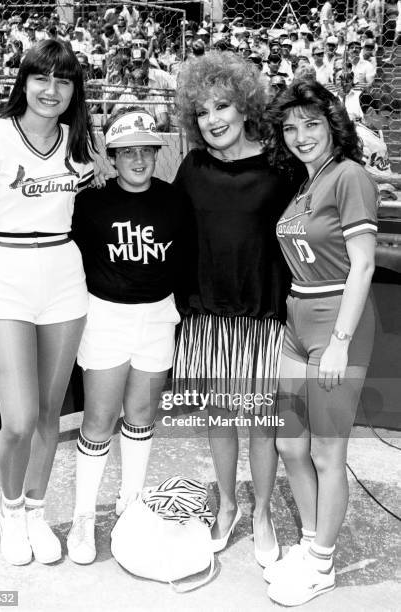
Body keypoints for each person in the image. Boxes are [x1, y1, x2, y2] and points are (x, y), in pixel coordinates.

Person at [0, 39, 96, 566]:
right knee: (16, 418)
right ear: (25, 82)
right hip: (8, 278)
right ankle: (9, 509)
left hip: (65, 277)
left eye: (64, 81)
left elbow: (89, 208)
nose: (51, 90)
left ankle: (36, 510)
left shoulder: (79, 143)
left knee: (48, 414)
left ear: (73, 90)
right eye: (42, 78)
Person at [173, 51, 298, 565]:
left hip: (265, 314)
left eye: (222, 106)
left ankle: (263, 511)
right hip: (205, 314)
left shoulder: (280, 167)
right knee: (220, 416)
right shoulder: (192, 166)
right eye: (202, 112)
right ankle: (227, 506)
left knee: (263, 422)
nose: (213, 120)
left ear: (245, 107)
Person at [263, 80, 378, 605]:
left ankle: (323, 565)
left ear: (334, 124)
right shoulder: (304, 185)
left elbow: (364, 265)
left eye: (312, 124)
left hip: (337, 322)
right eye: (290, 127)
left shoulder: (349, 176)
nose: (300, 136)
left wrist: (339, 342)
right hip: (295, 320)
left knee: (329, 454)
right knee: (289, 442)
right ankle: (311, 541)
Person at [66, 106, 186, 564]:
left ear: (157, 154)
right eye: (126, 152)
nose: (138, 160)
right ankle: (82, 517)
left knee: (141, 415)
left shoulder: (174, 200)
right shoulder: (91, 203)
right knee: (98, 420)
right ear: (112, 158)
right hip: (105, 317)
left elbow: (186, 259)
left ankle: (131, 502)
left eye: (146, 151)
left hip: (157, 316)